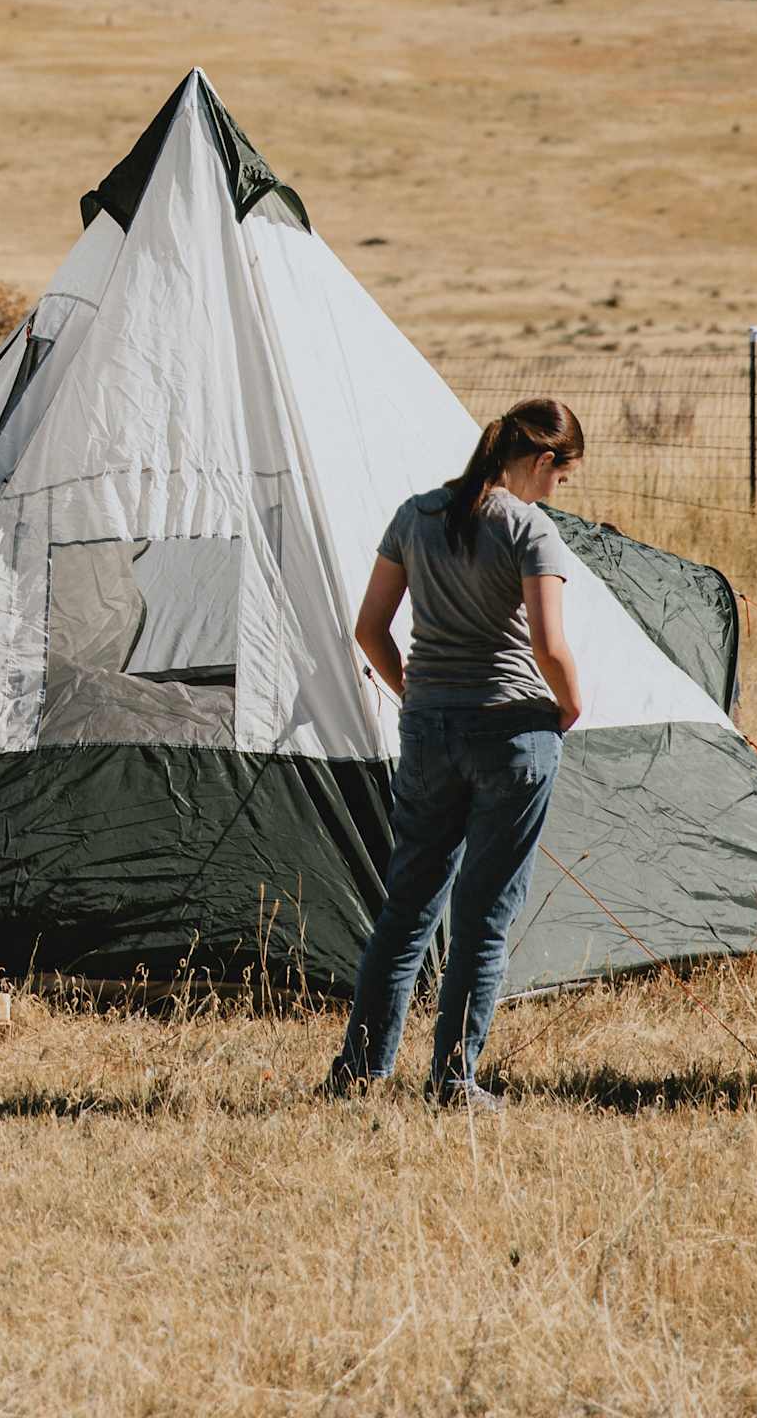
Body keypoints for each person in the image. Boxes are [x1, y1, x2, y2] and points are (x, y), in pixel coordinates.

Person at [325, 397, 588, 1108]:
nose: (556, 491)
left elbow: (370, 628)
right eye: (561, 477)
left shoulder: (416, 514)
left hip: (428, 728)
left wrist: (418, 691)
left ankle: (360, 1069)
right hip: (510, 731)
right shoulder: (530, 528)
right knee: (484, 912)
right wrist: (569, 703)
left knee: (408, 902)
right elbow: (548, 646)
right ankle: (452, 1078)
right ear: (541, 462)